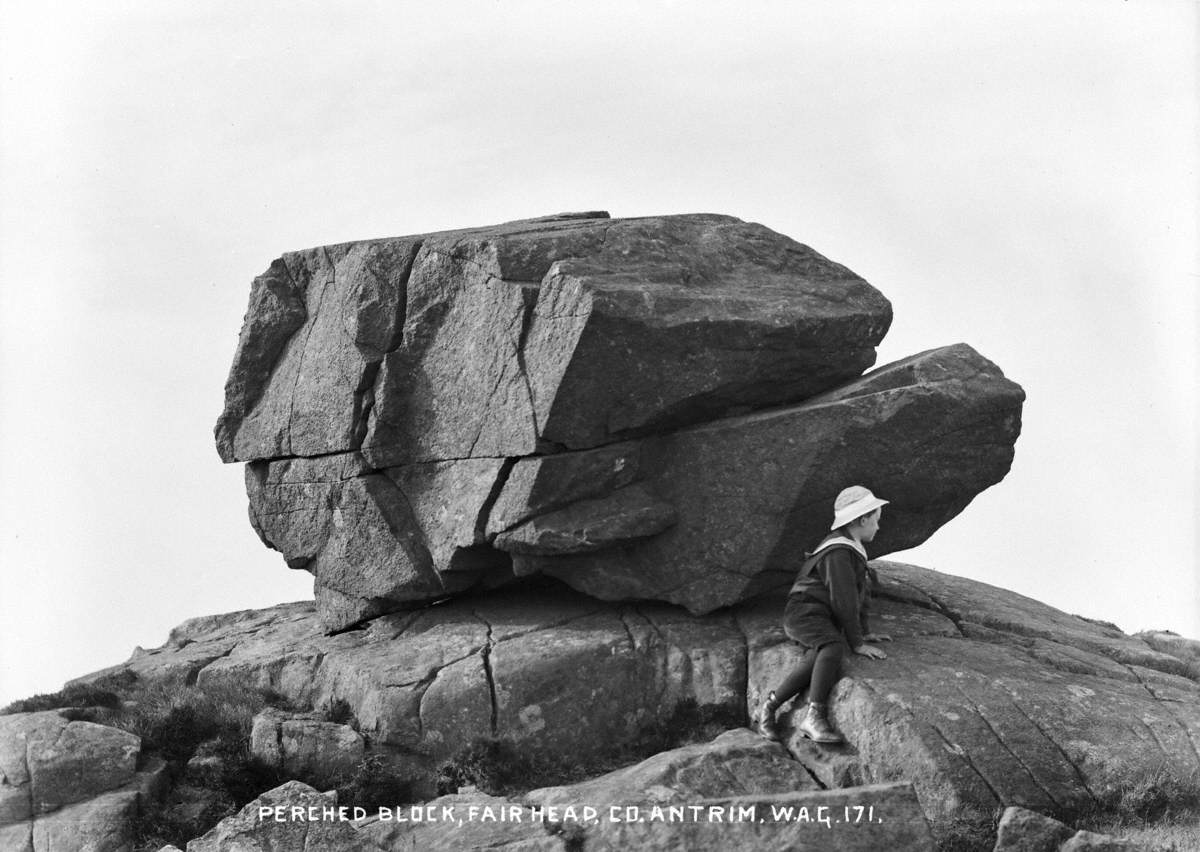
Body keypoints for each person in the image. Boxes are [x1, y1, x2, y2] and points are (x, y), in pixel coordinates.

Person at [756, 485, 892, 744]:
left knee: (820, 655)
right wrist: (857, 643)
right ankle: (814, 717)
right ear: (862, 519)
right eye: (876, 520)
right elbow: (844, 599)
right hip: (804, 613)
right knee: (832, 647)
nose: (878, 527)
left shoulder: (852, 549)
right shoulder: (838, 551)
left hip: (820, 616)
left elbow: (859, 596)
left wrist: (865, 632)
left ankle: (769, 708)